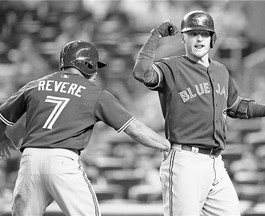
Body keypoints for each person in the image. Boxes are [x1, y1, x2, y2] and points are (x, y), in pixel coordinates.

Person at [132, 10, 265, 216]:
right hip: (185, 161)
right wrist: (155, 36)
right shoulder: (173, 67)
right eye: (193, 33)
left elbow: (235, 106)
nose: (199, 38)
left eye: (204, 34)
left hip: (216, 163)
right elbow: (142, 73)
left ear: (212, 39)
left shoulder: (221, 71)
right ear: (183, 38)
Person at [0, 40, 170, 216]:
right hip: (62, 160)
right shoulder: (94, 92)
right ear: (86, 64)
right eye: (95, 66)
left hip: (30, 159)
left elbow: (1, 115)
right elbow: (135, 129)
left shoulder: (35, 85)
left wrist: (3, 138)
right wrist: (165, 144)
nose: (96, 73)